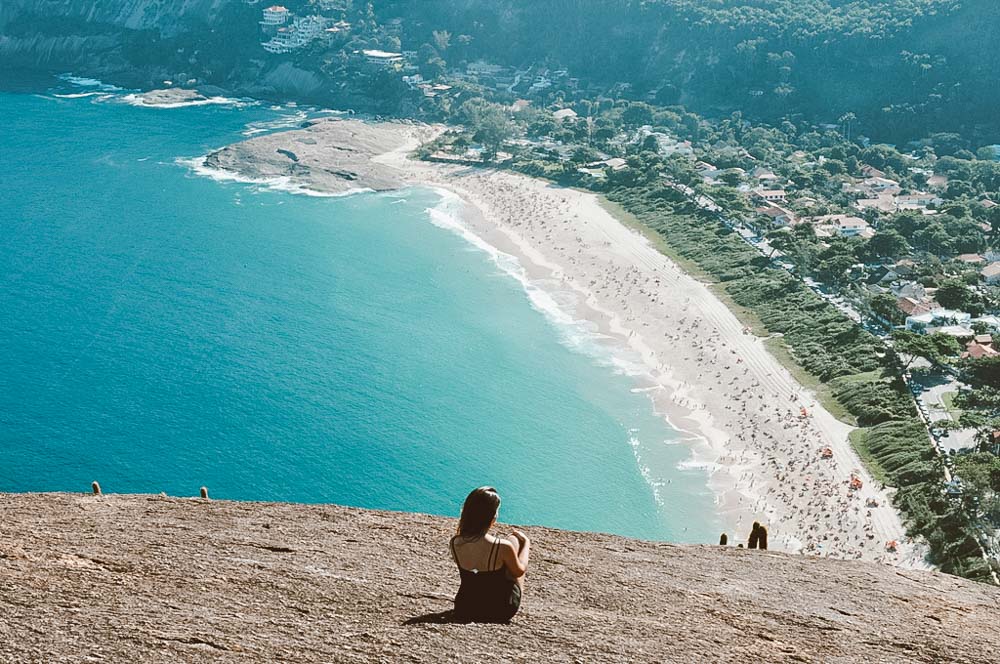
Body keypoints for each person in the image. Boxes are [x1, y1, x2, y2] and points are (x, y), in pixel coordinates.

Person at [449, 486, 530, 623]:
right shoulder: (502, 546)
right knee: (514, 542)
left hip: (466, 608)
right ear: (492, 519)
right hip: (499, 610)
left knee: (510, 543)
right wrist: (526, 543)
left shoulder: (455, 542)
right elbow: (519, 571)